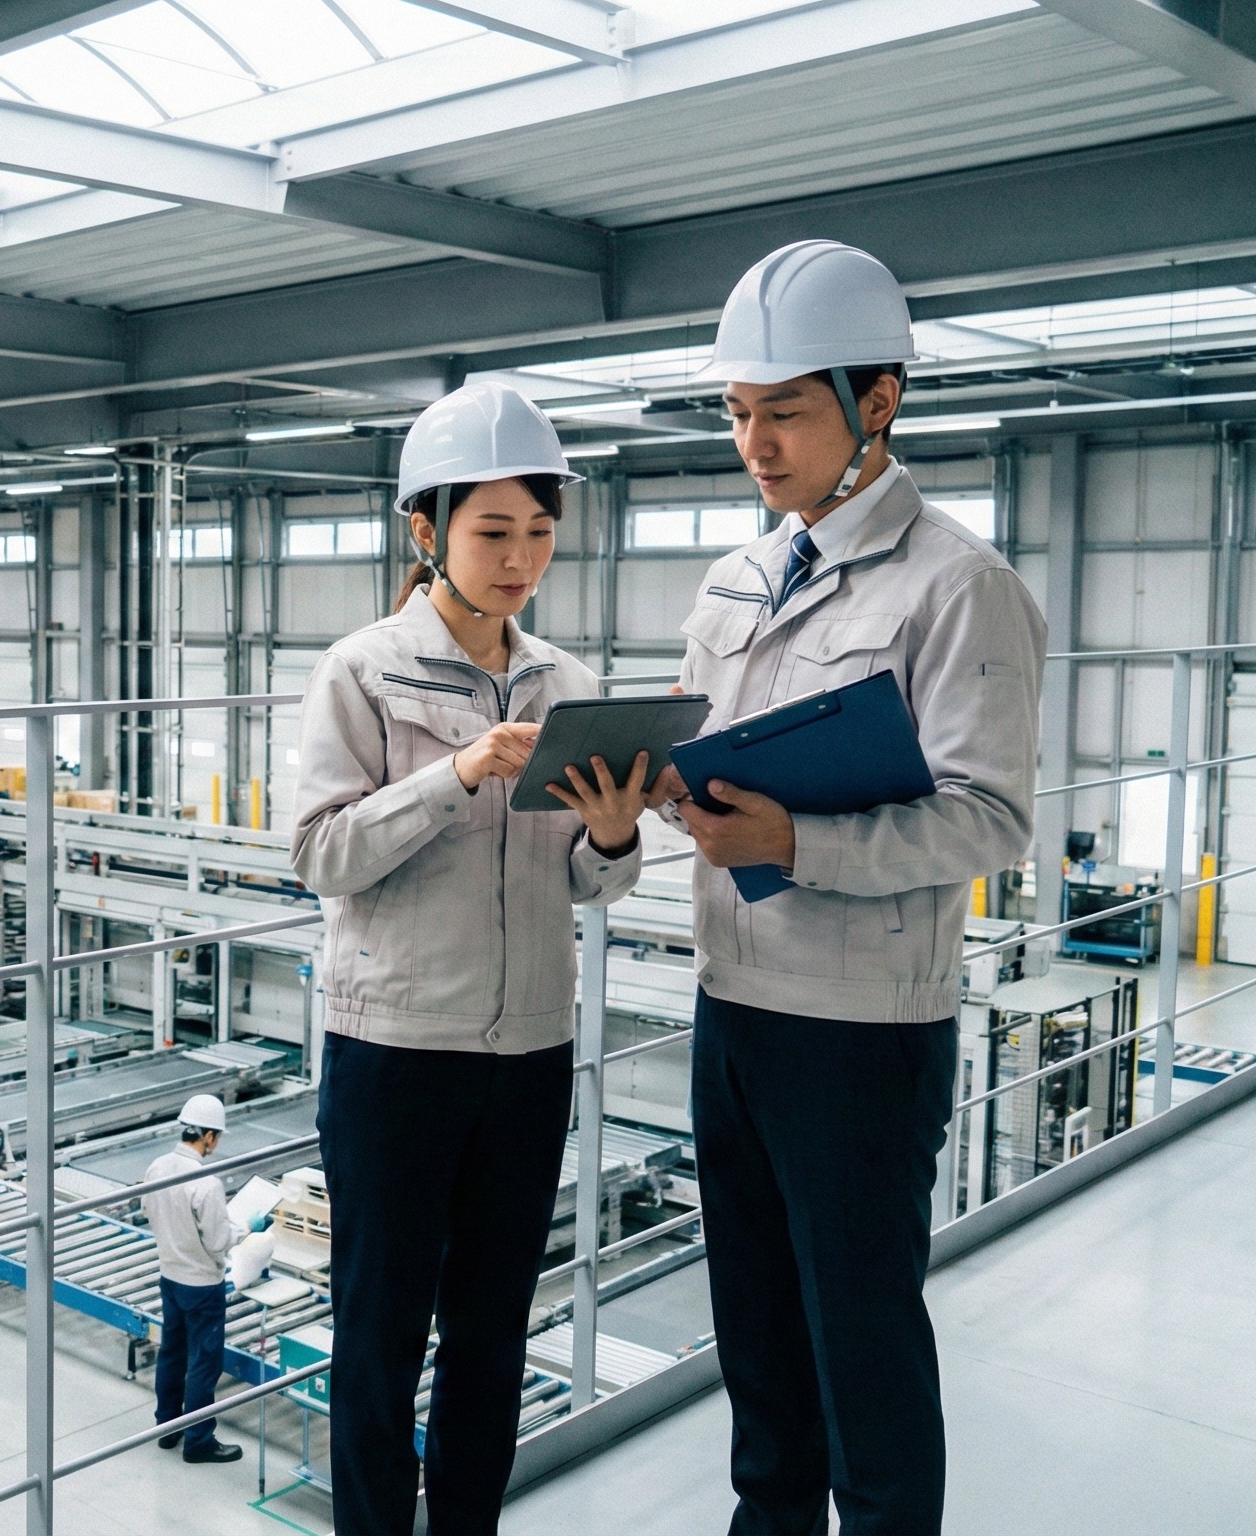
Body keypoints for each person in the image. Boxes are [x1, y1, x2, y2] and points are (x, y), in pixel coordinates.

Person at [657, 240, 1043, 1535]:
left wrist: (797, 844)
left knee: (861, 1365)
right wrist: (661, 790)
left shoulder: (956, 585)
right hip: (732, 1007)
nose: (755, 443)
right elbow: (720, 764)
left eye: (785, 410)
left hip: (862, 1035)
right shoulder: (730, 584)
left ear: (877, 400)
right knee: (758, 1365)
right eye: (738, 413)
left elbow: (986, 818)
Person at [292, 379, 651, 1536]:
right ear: (424, 531)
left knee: (493, 1335)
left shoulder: (569, 684)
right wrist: (450, 776)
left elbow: (592, 883)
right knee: (379, 1338)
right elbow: (318, 853)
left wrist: (609, 832)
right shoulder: (361, 671)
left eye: (538, 532)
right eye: (492, 532)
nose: (517, 560)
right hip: (394, 1052)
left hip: (528, 1052)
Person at [141, 1094, 258, 1466]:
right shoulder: (205, 1183)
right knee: (204, 1363)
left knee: (171, 1354)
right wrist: (244, 1229)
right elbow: (218, 1241)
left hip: (169, 1276)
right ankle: (198, 1441)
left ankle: (167, 1428)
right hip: (202, 1286)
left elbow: (148, 1209)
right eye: (217, 1138)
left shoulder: (157, 1167)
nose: (216, 1144)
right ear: (207, 1136)